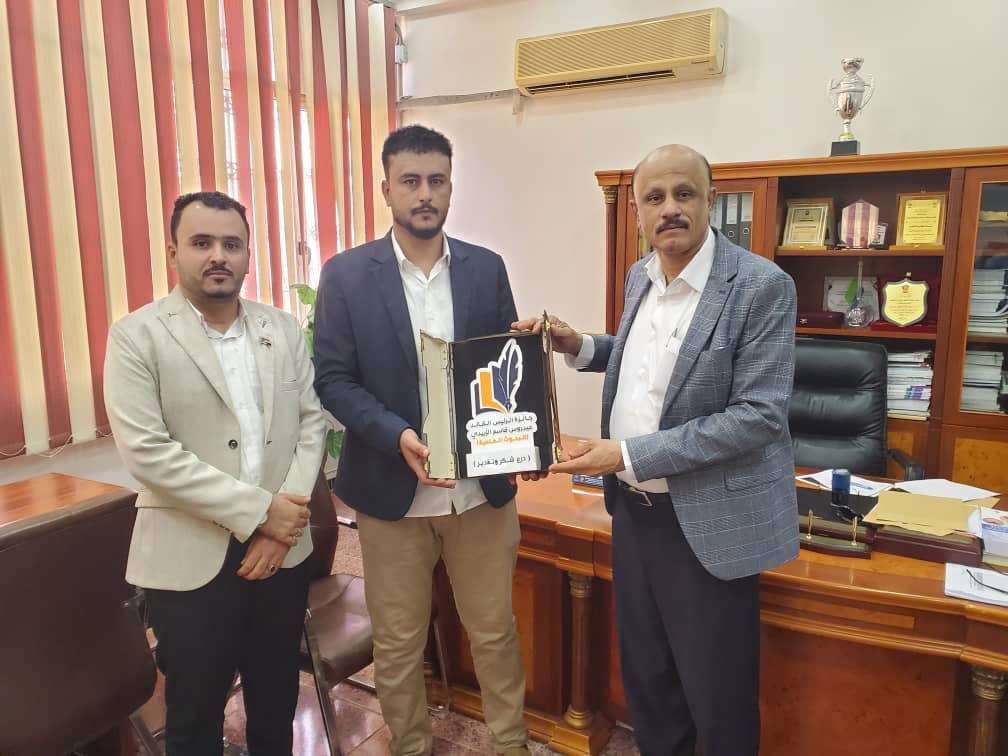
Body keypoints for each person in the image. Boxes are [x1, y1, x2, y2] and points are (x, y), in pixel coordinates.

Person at [515, 144, 798, 756]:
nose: (670, 208)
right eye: (655, 198)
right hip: (635, 517)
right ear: (638, 213)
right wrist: (579, 345)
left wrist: (626, 455)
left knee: (716, 696)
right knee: (651, 683)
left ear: (710, 201)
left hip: (708, 523)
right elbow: (644, 362)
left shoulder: (760, 287)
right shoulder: (640, 275)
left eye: (684, 194)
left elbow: (758, 416)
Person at [312, 125, 530, 756]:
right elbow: (333, 380)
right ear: (386, 189)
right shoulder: (346, 275)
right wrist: (397, 434)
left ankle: (511, 745)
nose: (425, 193)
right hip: (391, 494)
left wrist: (523, 439)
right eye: (410, 181)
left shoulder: (486, 269)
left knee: (494, 632)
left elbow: (504, 369)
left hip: (479, 494)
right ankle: (410, 746)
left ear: (451, 188)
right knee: (399, 641)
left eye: (437, 180)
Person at [104, 191, 327, 755]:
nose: (218, 256)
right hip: (189, 559)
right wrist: (263, 513)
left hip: (281, 554)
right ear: (173, 251)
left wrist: (283, 523)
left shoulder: (281, 329)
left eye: (232, 244)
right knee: (195, 715)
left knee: (276, 699)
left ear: (248, 254)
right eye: (201, 243)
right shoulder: (136, 336)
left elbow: (311, 425)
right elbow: (148, 453)